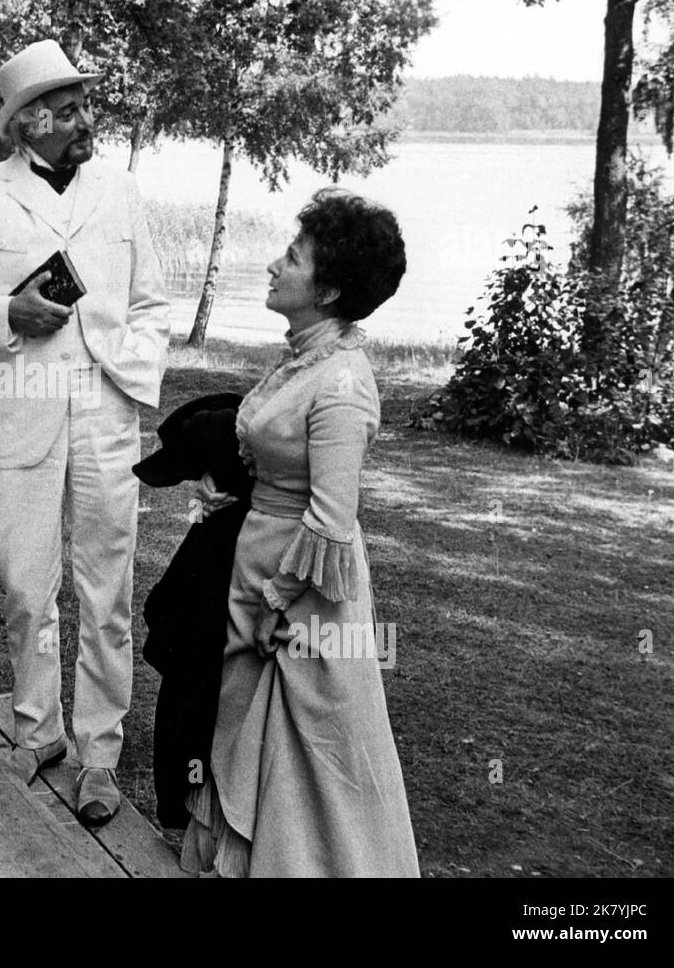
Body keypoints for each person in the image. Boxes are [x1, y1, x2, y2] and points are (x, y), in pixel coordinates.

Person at [0, 40, 169, 825]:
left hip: (105, 411)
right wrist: (6, 314)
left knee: (108, 591)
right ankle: (39, 729)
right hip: (20, 404)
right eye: (65, 108)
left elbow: (154, 306)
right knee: (28, 584)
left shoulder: (122, 192)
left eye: (83, 103)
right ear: (27, 123)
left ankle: (100, 752)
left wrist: (122, 361)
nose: (83, 118)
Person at [180, 187, 419, 877]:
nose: (273, 266)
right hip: (259, 561)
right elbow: (275, 447)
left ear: (331, 288)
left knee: (309, 743)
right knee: (241, 726)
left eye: (292, 256)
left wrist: (277, 602)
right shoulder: (303, 357)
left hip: (306, 594)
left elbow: (332, 517)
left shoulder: (343, 381)